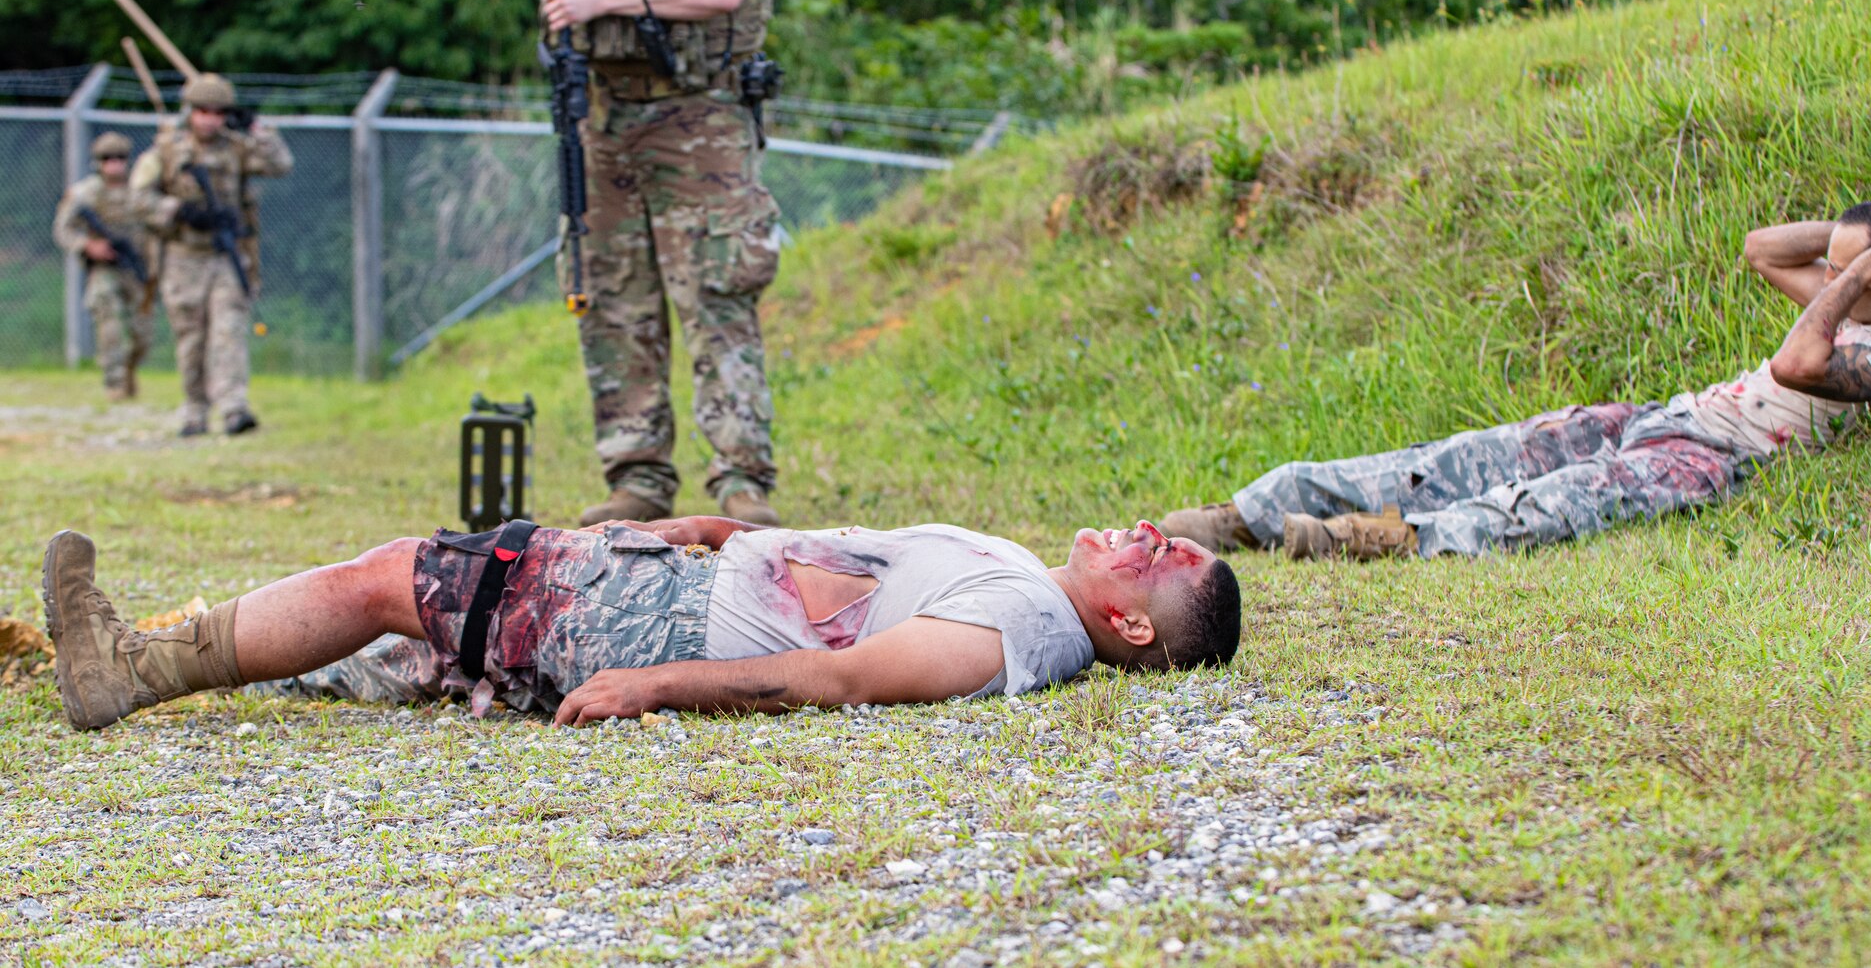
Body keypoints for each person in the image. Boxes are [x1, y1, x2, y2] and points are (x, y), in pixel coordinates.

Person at [1161, 202, 1871, 560]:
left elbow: (1795, 365)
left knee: (1551, 503)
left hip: (1719, 457)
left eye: (1848, 272)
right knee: (1476, 450)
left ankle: (1362, 540)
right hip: (1669, 413)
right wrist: (1852, 237)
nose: (1829, 277)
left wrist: (1856, 272)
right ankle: (1252, 513)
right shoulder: (1854, 300)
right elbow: (1762, 248)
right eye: (1836, 269)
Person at [40, 516, 1241, 731]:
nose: (1146, 531)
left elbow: (847, 679)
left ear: (1131, 630)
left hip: (659, 627)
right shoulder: (1022, 576)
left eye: (1163, 559)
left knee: (391, 578)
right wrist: (712, 526)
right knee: (395, 649)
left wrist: (652, 684)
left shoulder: (1024, 633)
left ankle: (130, 669)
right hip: (668, 583)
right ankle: (105, 653)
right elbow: (847, 565)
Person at [469, 0, 787, 529]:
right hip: (604, 121)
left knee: (715, 291)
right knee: (612, 295)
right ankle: (637, 474)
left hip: (698, 120)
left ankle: (741, 482)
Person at [130, 73, 293, 437]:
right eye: (203, 111)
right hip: (183, 256)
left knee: (228, 331)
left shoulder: (235, 148)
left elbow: (280, 165)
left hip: (226, 255)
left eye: (219, 113)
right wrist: (180, 211)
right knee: (192, 338)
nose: (211, 120)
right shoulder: (166, 151)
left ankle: (234, 408)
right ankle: (195, 410)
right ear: (190, 112)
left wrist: (257, 128)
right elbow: (138, 199)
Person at [51, 131, 154, 400]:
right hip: (104, 268)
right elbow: (63, 229)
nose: (114, 165)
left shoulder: (140, 191)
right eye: (108, 159)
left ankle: (130, 369)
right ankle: (114, 382)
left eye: (119, 158)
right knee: (108, 322)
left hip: (136, 268)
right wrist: (88, 246)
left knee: (141, 332)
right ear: (98, 162)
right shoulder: (86, 193)